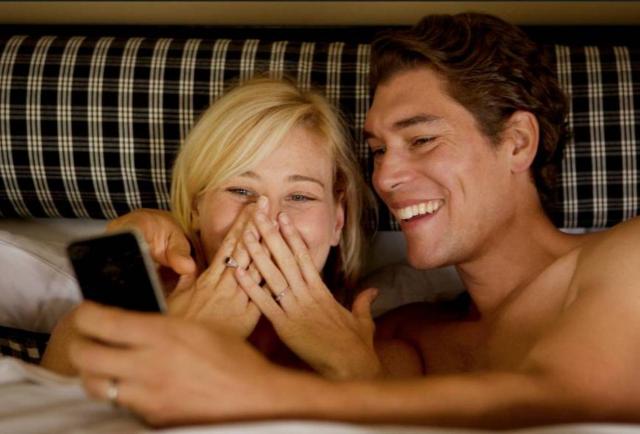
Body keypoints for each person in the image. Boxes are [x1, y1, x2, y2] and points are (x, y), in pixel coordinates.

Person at [63, 12, 640, 428]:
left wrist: (258, 387)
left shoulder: (625, 255)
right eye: (378, 150)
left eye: (421, 139)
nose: (385, 177)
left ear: (516, 142)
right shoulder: (404, 336)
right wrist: (121, 269)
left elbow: (575, 402)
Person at [42, 77, 382, 380]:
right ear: (195, 209)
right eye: (241, 190)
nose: (265, 219)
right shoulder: (96, 329)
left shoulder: (388, 347)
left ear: (337, 220)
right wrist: (174, 340)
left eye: (300, 196)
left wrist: (355, 370)